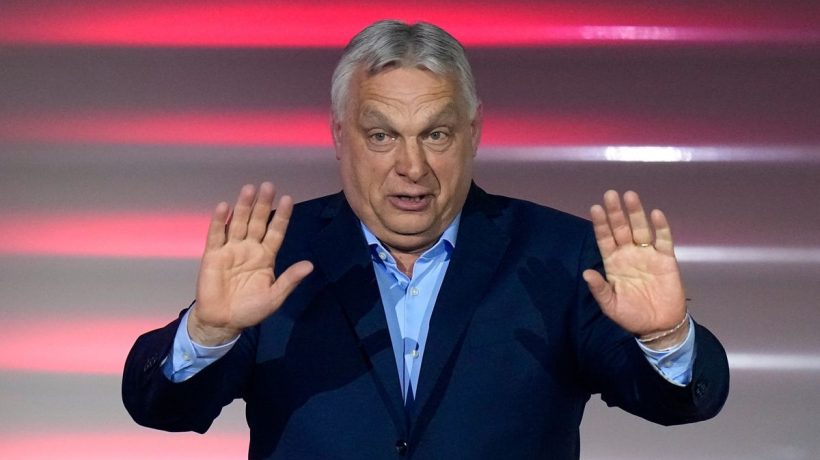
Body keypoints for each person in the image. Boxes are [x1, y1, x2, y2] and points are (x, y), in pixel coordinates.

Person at [122, 20, 729, 459]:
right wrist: (209, 332)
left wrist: (665, 338)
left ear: (474, 132)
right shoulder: (276, 255)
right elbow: (162, 408)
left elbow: (678, 403)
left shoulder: (558, 256)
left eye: (435, 135)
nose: (411, 167)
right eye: (382, 136)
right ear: (340, 136)